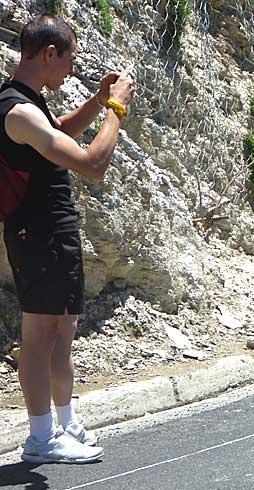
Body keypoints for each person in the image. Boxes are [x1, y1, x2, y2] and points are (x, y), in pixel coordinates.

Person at [1, 14, 134, 463]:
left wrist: (97, 103)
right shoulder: (18, 111)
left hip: (50, 229)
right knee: (39, 335)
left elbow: (58, 132)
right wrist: (116, 109)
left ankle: (65, 422)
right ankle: (40, 438)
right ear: (49, 53)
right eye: (70, 58)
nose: (72, 68)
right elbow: (92, 164)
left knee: (62, 331)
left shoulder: (28, 104)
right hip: (36, 233)